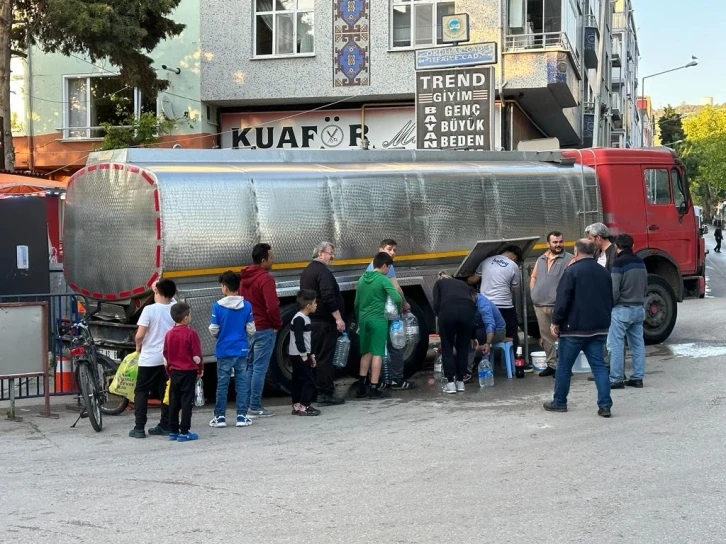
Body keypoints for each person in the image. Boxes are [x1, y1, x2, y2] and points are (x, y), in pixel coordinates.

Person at [543, 239, 614, 418]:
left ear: (576, 251)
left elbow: (562, 300)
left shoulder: (571, 271)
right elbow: (610, 299)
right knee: (599, 366)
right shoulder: (603, 272)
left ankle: (559, 402)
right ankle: (605, 405)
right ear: (593, 251)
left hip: (573, 329)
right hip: (598, 328)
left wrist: (555, 322)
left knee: (564, 367)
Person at [299, 241, 346, 406]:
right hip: (324, 322)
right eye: (330, 252)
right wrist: (338, 318)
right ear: (320, 253)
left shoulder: (307, 271)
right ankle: (325, 393)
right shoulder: (323, 272)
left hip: (312, 321)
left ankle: (313, 392)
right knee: (325, 357)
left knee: (314, 357)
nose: (332, 256)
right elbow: (328, 297)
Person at [366, 239, 416, 390]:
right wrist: (404, 304)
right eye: (389, 249)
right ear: (380, 249)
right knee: (396, 344)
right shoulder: (386, 266)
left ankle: (377, 381)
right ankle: (396, 380)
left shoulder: (370, 267)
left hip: (373, 313)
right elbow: (396, 289)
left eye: (395, 250)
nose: (392, 253)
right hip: (386, 313)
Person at [129, 278, 177, 439]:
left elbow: (140, 335)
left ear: (156, 291)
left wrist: (137, 347)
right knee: (166, 391)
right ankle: (166, 424)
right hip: (169, 359)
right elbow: (170, 295)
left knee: (142, 391)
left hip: (149, 359)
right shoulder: (176, 309)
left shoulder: (149, 310)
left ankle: (139, 428)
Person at [208, 271, 256, 428]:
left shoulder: (217, 306)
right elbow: (251, 329)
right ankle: (241, 416)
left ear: (225, 288)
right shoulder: (247, 306)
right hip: (241, 349)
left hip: (223, 350)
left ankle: (220, 417)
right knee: (241, 383)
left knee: (222, 384)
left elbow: (214, 329)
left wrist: (221, 336)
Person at [240, 243, 282, 418]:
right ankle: (255, 406)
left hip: (248, 327)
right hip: (263, 327)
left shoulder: (244, 278)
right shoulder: (265, 279)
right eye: (271, 257)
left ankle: (247, 405)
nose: (273, 260)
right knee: (259, 368)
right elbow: (272, 306)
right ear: (263, 260)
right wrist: (276, 324)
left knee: (249, 367)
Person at [355, 252, 402, 399]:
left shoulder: (362, 279)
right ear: (384, 265)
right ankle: (374, 388)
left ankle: (361, 387)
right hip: (378, 320)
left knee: (366, 353)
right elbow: (396, 297)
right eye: (389, 267)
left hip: (363, 320)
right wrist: (398, 310)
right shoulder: (382, 279)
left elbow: (356, 303)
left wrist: (359, 319)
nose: (389, 270)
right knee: (378, 354)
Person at [530, 231, 573, 377]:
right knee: (546, 336)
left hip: (558, 304)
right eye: (555, 242)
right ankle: (552, 365)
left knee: (562, 336)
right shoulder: (541, 259)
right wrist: (533, 293)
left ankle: (564, 367)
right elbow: (534, 277)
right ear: (548, 243)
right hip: (540, 305)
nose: (558, 245)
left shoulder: (570, 259)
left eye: (560, 241)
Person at [608, 233, 648, 389]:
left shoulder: (618, 263)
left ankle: (616, 379)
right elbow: (645, 286)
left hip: (621, 309)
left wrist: (611, 304)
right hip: (639, 308)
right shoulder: (640, 262)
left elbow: (614, 290)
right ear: (632, 245)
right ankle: (637, 378)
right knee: (638, 344)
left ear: (616, 246)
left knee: (616, 344)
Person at [467, 246, 523, 354]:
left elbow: (473, 280)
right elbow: (514, 288)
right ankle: (515, 362)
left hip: (486, 304)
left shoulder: (486, 261)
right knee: (511, 335)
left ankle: (482, 357)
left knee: (485, 329)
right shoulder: (513, 266)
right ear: (515, 258)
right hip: (505, 306)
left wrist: (459, 279)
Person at [163, 302, 204, 442]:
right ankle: (184, 431)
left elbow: (166, 355)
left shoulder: (169, 334)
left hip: (174, 372)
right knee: (187, 402)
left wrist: (168, 371)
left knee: (174, 401)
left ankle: (173, 430)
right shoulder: (191, 334)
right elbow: (197, 355)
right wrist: (200, 370)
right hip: (188, 372)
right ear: (186, 318)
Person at [434, 272, 477, 394]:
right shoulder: (462, 284)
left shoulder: (439, 283)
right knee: (463, 347)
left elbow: (436, 304)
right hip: (467, 312)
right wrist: (473, 336)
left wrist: (441, 320)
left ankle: (450, 383)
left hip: (448, 312)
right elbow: (471, 302)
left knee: (447, 347)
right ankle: (460, 382)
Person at [289, 290, 321, 416]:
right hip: (299, 355)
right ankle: (305, 405)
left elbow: (308, 340)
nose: (316, 304)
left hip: (298, 354)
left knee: (297, 380)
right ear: (308, 305)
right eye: (314, 303)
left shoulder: (303, 318)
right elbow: (299, 339)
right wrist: (304, 355)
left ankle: (297, 404)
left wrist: (311, 354)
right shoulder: (299, 319)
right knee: (309, 380)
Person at [465, 291, 508, 382]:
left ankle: (469, 371)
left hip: (498, 330)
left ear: (474, 296)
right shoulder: (470, 302)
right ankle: (469, 366)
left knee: (472, 343)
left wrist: (487, 343)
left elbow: (490, 325)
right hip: (481, 328)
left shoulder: (483, 304)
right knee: (465, 338)